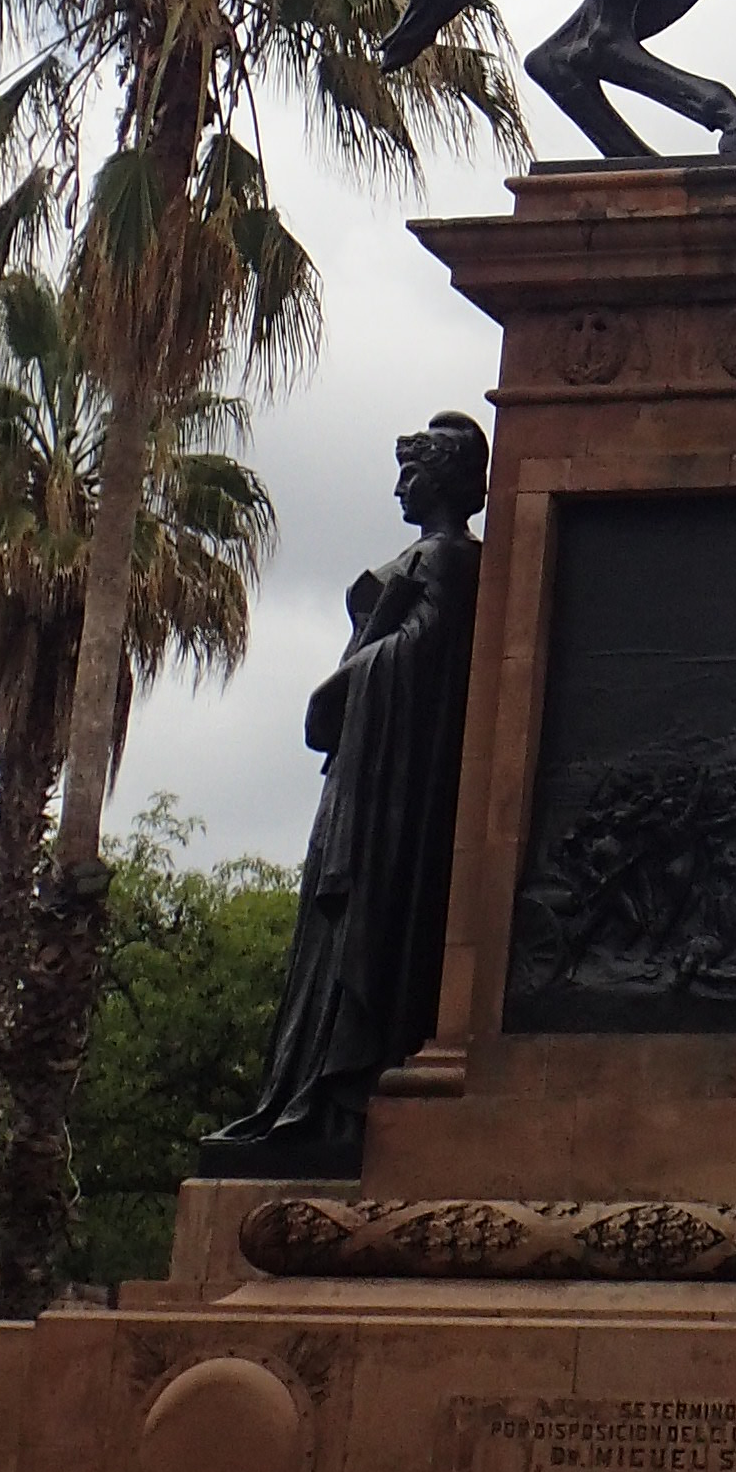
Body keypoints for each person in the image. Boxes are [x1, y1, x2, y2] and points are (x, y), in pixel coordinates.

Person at [207, 413, 486, 1176]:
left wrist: (369, 645)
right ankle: (301, 1096)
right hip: (363, 766)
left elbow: (426, 659)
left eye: (414, 472)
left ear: (449, 479)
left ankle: (339, 1092)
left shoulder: (450, 560)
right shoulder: (424, 558)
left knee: (362, 916)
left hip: (392, 774)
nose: (401, 486)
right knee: (327, 934)